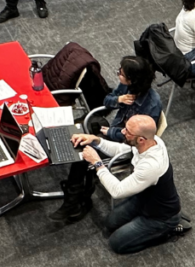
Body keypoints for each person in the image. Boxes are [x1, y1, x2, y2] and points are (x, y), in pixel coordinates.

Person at [53, 115, 189, 253]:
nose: (122, 131)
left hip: (161, 217)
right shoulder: (152, 141)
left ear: (141, 139)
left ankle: (169, 230)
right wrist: (96, 141)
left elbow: (117, 191)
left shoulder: (151, 166)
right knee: (110, 223)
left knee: (117, 244)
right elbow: (122, 150)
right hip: (144, 199)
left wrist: (97, 163)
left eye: (127, 132)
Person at [51, 57, 163, 225]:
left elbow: (139, 140)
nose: (118, 74)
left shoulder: (152, 105)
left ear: (133, 79)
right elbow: (106, 101)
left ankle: (73, 202)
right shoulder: (127, 86)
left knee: (83, 153)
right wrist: (118, 100)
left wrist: (111, 132)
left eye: (121, 73)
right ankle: (80, 189)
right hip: (115, 132)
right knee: (81, 129)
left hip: (127, 146)